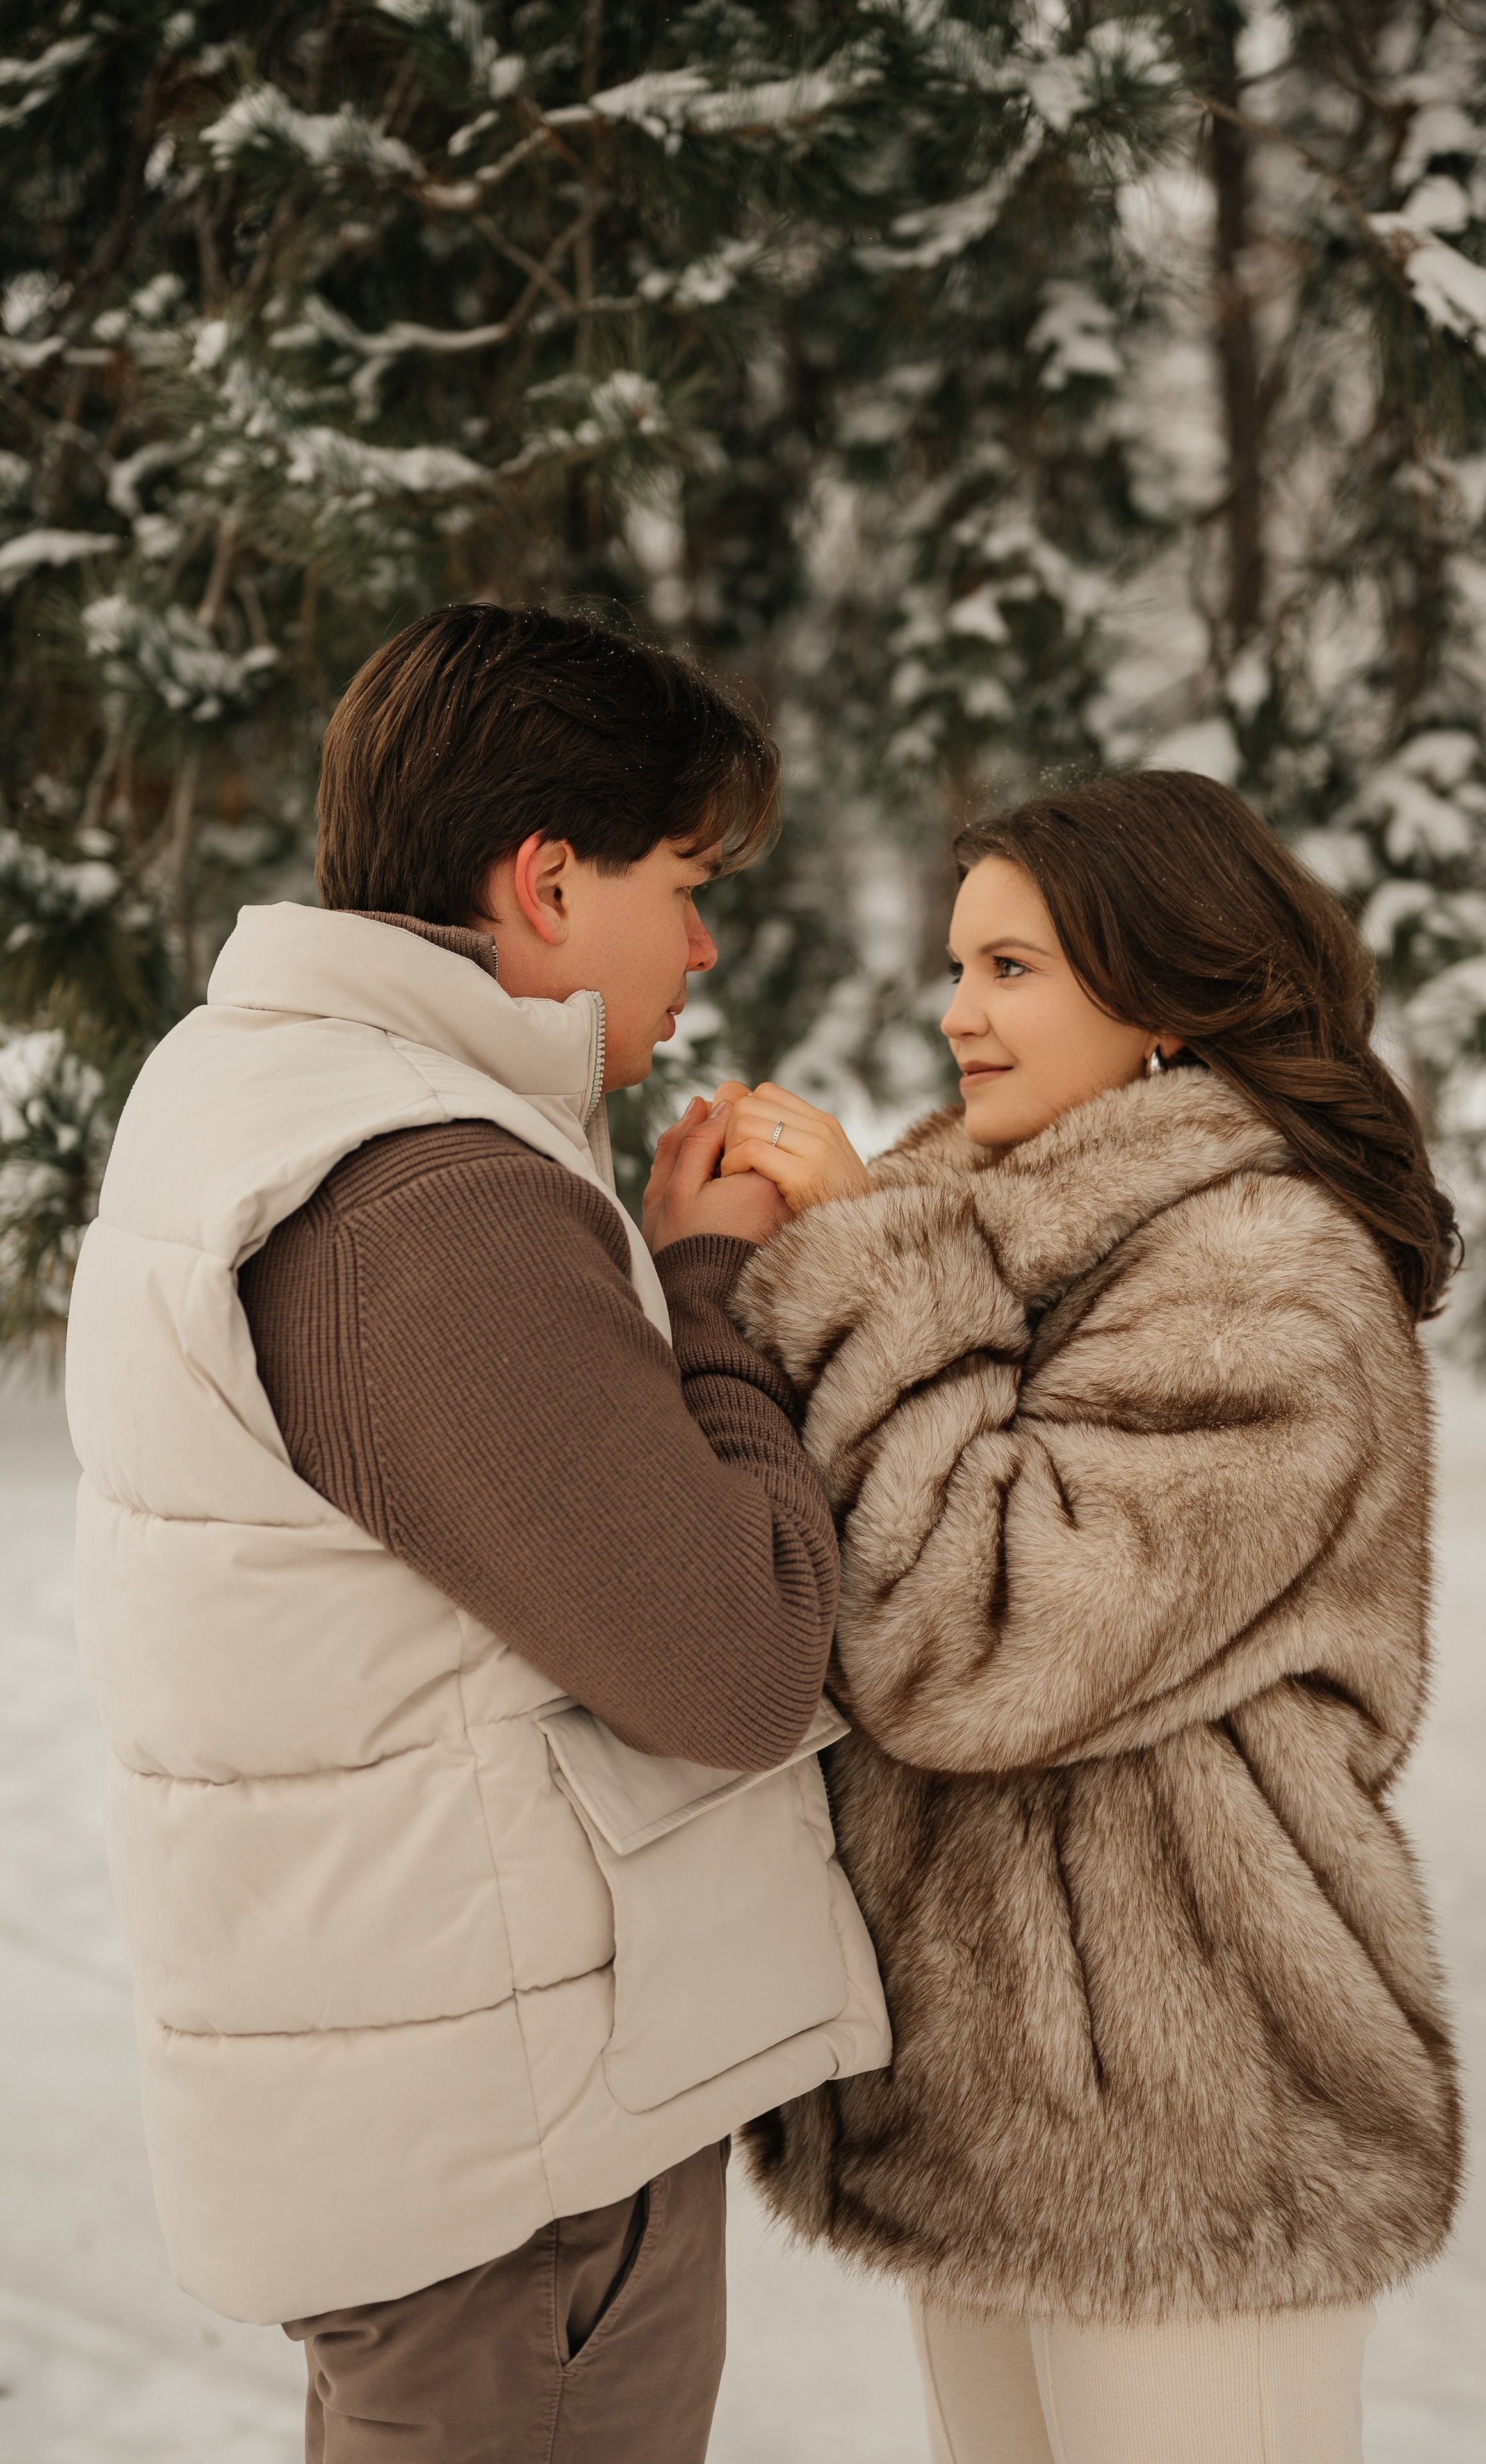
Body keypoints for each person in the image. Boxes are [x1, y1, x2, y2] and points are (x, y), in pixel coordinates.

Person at [65, 604, 888, 2464]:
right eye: (683, 886)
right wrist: (711, 1292)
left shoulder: (248, 1090)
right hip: (515, 2176)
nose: (702, 947)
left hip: (415, 2106)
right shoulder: (429, 1195)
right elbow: (738, 1664)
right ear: (546, 881)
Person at [712, 774, 1462, 2464]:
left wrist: (865, 1261)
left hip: (1201, 2128)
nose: (957, 1014)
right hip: (985, 2113)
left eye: (1013, 969)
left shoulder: (1262, 1272)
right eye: (956, 965)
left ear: (1170, 998)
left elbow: (978, 1641)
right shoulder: (998, 1239)